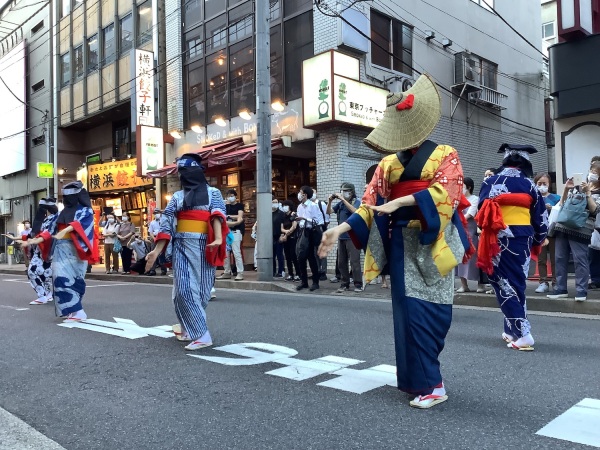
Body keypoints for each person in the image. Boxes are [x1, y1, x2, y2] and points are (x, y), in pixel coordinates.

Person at [319, 74, 472, 409]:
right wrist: (339, 230)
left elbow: (448, 195)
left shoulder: (446, 153)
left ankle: (431, 379)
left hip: (434, 240)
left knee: (434, 312)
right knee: (409, 314)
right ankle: (427, 383)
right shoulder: (388, 164)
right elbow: (369, 207)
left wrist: (401, 202)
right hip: (403, 244)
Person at [145, 153, 228, 351]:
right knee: (183, 290)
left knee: (201, 292)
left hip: (205, 245)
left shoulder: (213, 192)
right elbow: (166, 223)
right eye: (182, 172)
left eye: (188, 171)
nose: (185, 176)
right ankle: (201, 335)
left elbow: (217, 214)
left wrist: (218, 237)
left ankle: (187, 328)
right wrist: (157, 251)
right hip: (181, 245)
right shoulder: (177, 196)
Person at [477, 144, 548, 351]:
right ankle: (510, 330)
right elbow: (541, 219)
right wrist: (537, 239)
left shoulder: (490, 181)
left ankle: (524, 333)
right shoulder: (529, 184)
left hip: (498, 235)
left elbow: (482, 211)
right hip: (523, 237)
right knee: (517, 283)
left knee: (502, 282)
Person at [22, 181, 95, 322]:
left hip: (76, 250)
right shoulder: (61, 213)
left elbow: (81, 225)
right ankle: (74, 311)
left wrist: (67, 230)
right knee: (60, 279)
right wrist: (33, 241)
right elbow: (49, 231)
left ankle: (77, 311)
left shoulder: (86, 211)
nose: (67, 199)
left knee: (75, 279)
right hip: (61, 250)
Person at [548, 161, 600, 302]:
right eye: (591, 171)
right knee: (559, 258)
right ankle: (561, 288)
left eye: (596, 172)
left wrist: (588, 193)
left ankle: (581, 291)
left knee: (580, 260)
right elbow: (562, 204)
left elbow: (595, 210)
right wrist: (566, 189)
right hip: (563, 226)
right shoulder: (576, 188)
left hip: (581, 229)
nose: (592, 174)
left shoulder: (595, 192)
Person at [327, 183, 362, 293]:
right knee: (341, 262)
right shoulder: (341, 204)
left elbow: (355, 211)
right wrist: (330, 201)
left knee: (354, 261)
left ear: (351, 192)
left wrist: (343, 199)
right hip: (341, 236)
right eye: (342, 191)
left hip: (353, 237)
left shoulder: (356, 201)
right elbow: (329, 212)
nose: (343, 193)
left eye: (346, 191)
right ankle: (344, 283)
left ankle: (358, 284)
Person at [455, 177, 486, 293]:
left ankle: (481, 284)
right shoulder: (458, 199)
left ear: (469, 187)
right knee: (460, 258)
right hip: (459, 231)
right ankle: (464, 285)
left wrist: (456, 219)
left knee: (475, 258)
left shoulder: (475, 199)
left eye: (462, 186)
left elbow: (470, 214)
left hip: (472, 232)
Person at [533, 173, 561, 293]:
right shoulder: (533, 197)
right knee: (541, 258)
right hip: (539, 232)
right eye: (539, 184)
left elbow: (561, 212)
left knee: (556, 258)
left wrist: (552, 208)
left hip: (554, 231)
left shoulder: (556, 198)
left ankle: (556, 282)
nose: (542, 186)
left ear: (549, 185)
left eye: (545, 183)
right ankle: (543, 282)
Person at [295, 186, 324, 291]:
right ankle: (304, 281)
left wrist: (304, 218)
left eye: (300, 192)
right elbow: (299, 221)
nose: (299, 194)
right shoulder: (299, 207)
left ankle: (315, 282)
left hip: (311, 232)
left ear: (305, 194)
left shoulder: (313, 206)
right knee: (300, 257)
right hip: (302, 232)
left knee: (311, 257)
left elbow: (317, 221)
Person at [217, 189, 245, 281]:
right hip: (226, 231)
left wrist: (229, 216)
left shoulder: (240, 205)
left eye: (232, 195)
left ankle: (240, 272)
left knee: (236, 252)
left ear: (236, 196)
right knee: (226, 253)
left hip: (236, 231)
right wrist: (233, 218)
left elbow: (240, 217)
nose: (230, 197)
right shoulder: (226, 206)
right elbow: (223, 217)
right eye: (229, 196)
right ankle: (227, 271)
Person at [312, 190, 330, 281]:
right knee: (315, 252)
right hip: (312, 230)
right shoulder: (308, 205)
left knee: (322, 251)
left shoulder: (321, 204)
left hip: (321, 230)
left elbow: (327, 218)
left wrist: (322, 229)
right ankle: (317, 270)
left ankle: (323, 271)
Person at [280, 200, 301, 281]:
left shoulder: (294, 214)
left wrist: (286, 234)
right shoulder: (283, 216)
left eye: (286, 205)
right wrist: (285, 233)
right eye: (283, 205)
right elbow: (281, 228)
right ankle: (290, 274)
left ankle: (298, 274)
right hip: (286, 238)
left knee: (294, 256)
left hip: (293, 238)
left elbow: (294, 227)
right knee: (287, 257)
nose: (284, 207)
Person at [147, 209, 167, 276]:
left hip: (161, 237)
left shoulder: (163, 220)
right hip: (154, 238)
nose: (156, 214)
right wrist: (154, 238)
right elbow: (150, 232)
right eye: (155, 213)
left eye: (157, 213)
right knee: (153, 253)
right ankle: (152, 270)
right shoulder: (152, 223)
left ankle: (163, 269)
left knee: (162, 254)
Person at [272, 196, 286, 278]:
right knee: (272, 255)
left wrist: (282, 235)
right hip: (271, 237)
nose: (274, 204)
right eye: (273, 202)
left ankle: (281, 271)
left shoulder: (281, 213)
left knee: (279, 254)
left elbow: (283, 225)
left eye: (276, 202)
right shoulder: (269, 213)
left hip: (278, 236)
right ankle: (273, 271)